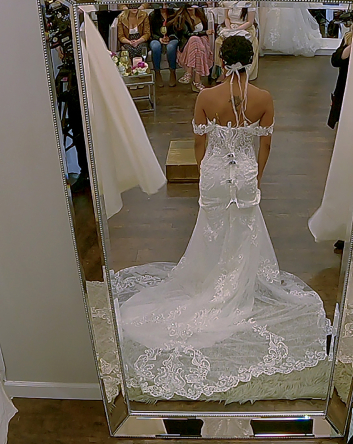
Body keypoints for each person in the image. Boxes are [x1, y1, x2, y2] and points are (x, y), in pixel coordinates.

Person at [109, 36, 331, 401]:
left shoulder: (205, 97)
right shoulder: (265, 98)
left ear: (221, 59)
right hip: (243, 172)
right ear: (252, 58)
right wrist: (255, 174)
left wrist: (205, 169)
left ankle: (209, 280)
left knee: (210, 229)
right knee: (244, 229)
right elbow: (266, 144)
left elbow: (199, 141)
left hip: (214, 172)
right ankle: (238, 284)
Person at [176, 6, 213, 91]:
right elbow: (187, 34)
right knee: (194, 39)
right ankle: (197, 81)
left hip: (201, 46)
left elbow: (207, 29)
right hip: (188, 46)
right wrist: (204, 32)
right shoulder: (182, 17)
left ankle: (189, 73)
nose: (190, 7)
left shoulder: (201, 14)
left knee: (199, 45)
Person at [149, 6, 181, 86]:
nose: (164, 6)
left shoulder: (174, 13)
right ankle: (157, 73)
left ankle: (173, 72)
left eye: (166, 3)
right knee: (155, 47)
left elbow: (178, 30)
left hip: (172, 37)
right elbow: (150, 32)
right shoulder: (152, 15)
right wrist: (159, 39)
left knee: (171, 47)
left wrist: (169, 38)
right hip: (156, 38)